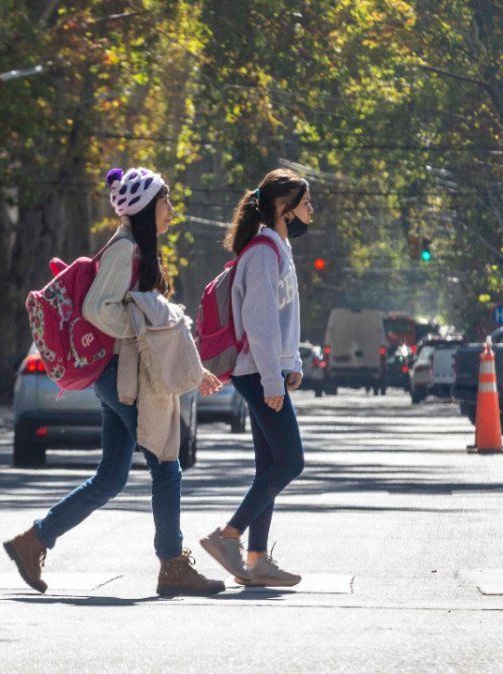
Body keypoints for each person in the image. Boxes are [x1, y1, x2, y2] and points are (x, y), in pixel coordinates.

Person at [4, 167, 227, 597]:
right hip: (117, 374)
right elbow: (96, 309)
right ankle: (172, 565)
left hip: (119, 374)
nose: (172, 211)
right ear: (145, 207)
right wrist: (142, 320)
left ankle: (32, 541)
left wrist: (182, 356)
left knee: (110, 478)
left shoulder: (136, 249)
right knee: (166, 462)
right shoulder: (125, 250)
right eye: (165, 202)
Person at [199, 168, 310, 587]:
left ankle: (257, 560)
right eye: (305, 202)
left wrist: (291, 362)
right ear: (284, 208)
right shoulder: (264, 252)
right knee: (291, 461)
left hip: (265, 369)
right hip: (254, 371)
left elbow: (284, 318)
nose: (310, 210)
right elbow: (259, 322)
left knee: (270, 465)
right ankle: (227, 535)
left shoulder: (276, 248)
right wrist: (271, 380)